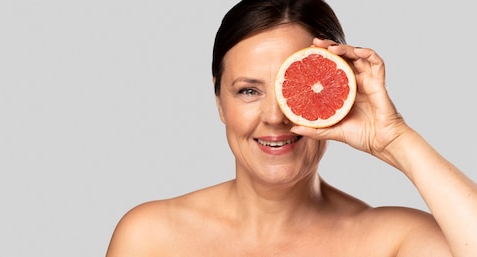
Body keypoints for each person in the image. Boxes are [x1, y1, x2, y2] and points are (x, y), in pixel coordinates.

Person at [106, 0, 477, 256]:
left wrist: (396, 139)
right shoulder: (151, 236)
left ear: (338, 93)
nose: (274, 117)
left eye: (294, 90)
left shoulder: (389, 240)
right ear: (220, 101)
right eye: (248, 91)